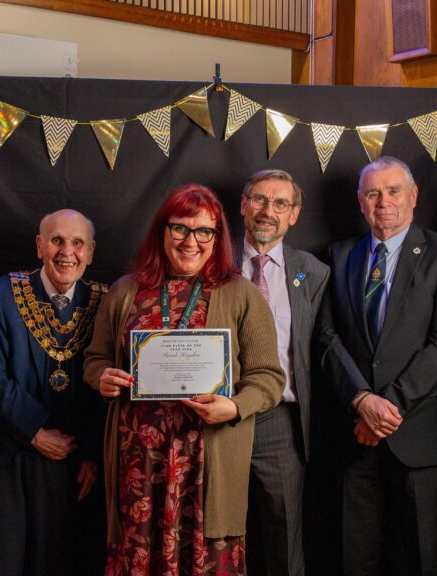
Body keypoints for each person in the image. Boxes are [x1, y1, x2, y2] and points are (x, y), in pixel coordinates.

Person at [84, 183, 285, 575]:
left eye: (203, 231)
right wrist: (101, 378)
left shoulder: (241, 293)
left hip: (208, 463)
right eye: (180, 228)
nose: (190, 241)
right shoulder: (125, 291)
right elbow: (95, 359)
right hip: (139, 464)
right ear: (162, 231)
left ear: (216, 237)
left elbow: (268, 377)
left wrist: (236, 406)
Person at [319, 157, 437, 576]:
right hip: (355, 436)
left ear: (414, 196)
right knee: (355, 557)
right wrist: (361, 400)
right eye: (373, 193)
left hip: (419, 434)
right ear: (361, 202)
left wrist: (385, 410)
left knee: (424, 557)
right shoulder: (341, 254)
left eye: (393, 191)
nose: (383, 201)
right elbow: (328, 337)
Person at [0, 209, 107, 576]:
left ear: (91, 252)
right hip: (15, 449)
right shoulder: (3, 293)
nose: (67, 252)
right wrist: (34, 431)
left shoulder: (103, 301)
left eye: (77, 243)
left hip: (76, 457)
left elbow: (103, 387)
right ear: (39, 246)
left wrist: (93, 454)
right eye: (57, 240)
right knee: (11, 561)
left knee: (69, 560)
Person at [237, 169, 329, 576]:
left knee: (283, 535)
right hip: (218, 416)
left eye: (280, 203)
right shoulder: (210, 261)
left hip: (281, 422)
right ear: (243, 206)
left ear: (294, 214)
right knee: (216, 534)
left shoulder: (313, 272)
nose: (267, 211)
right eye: (259, 199)